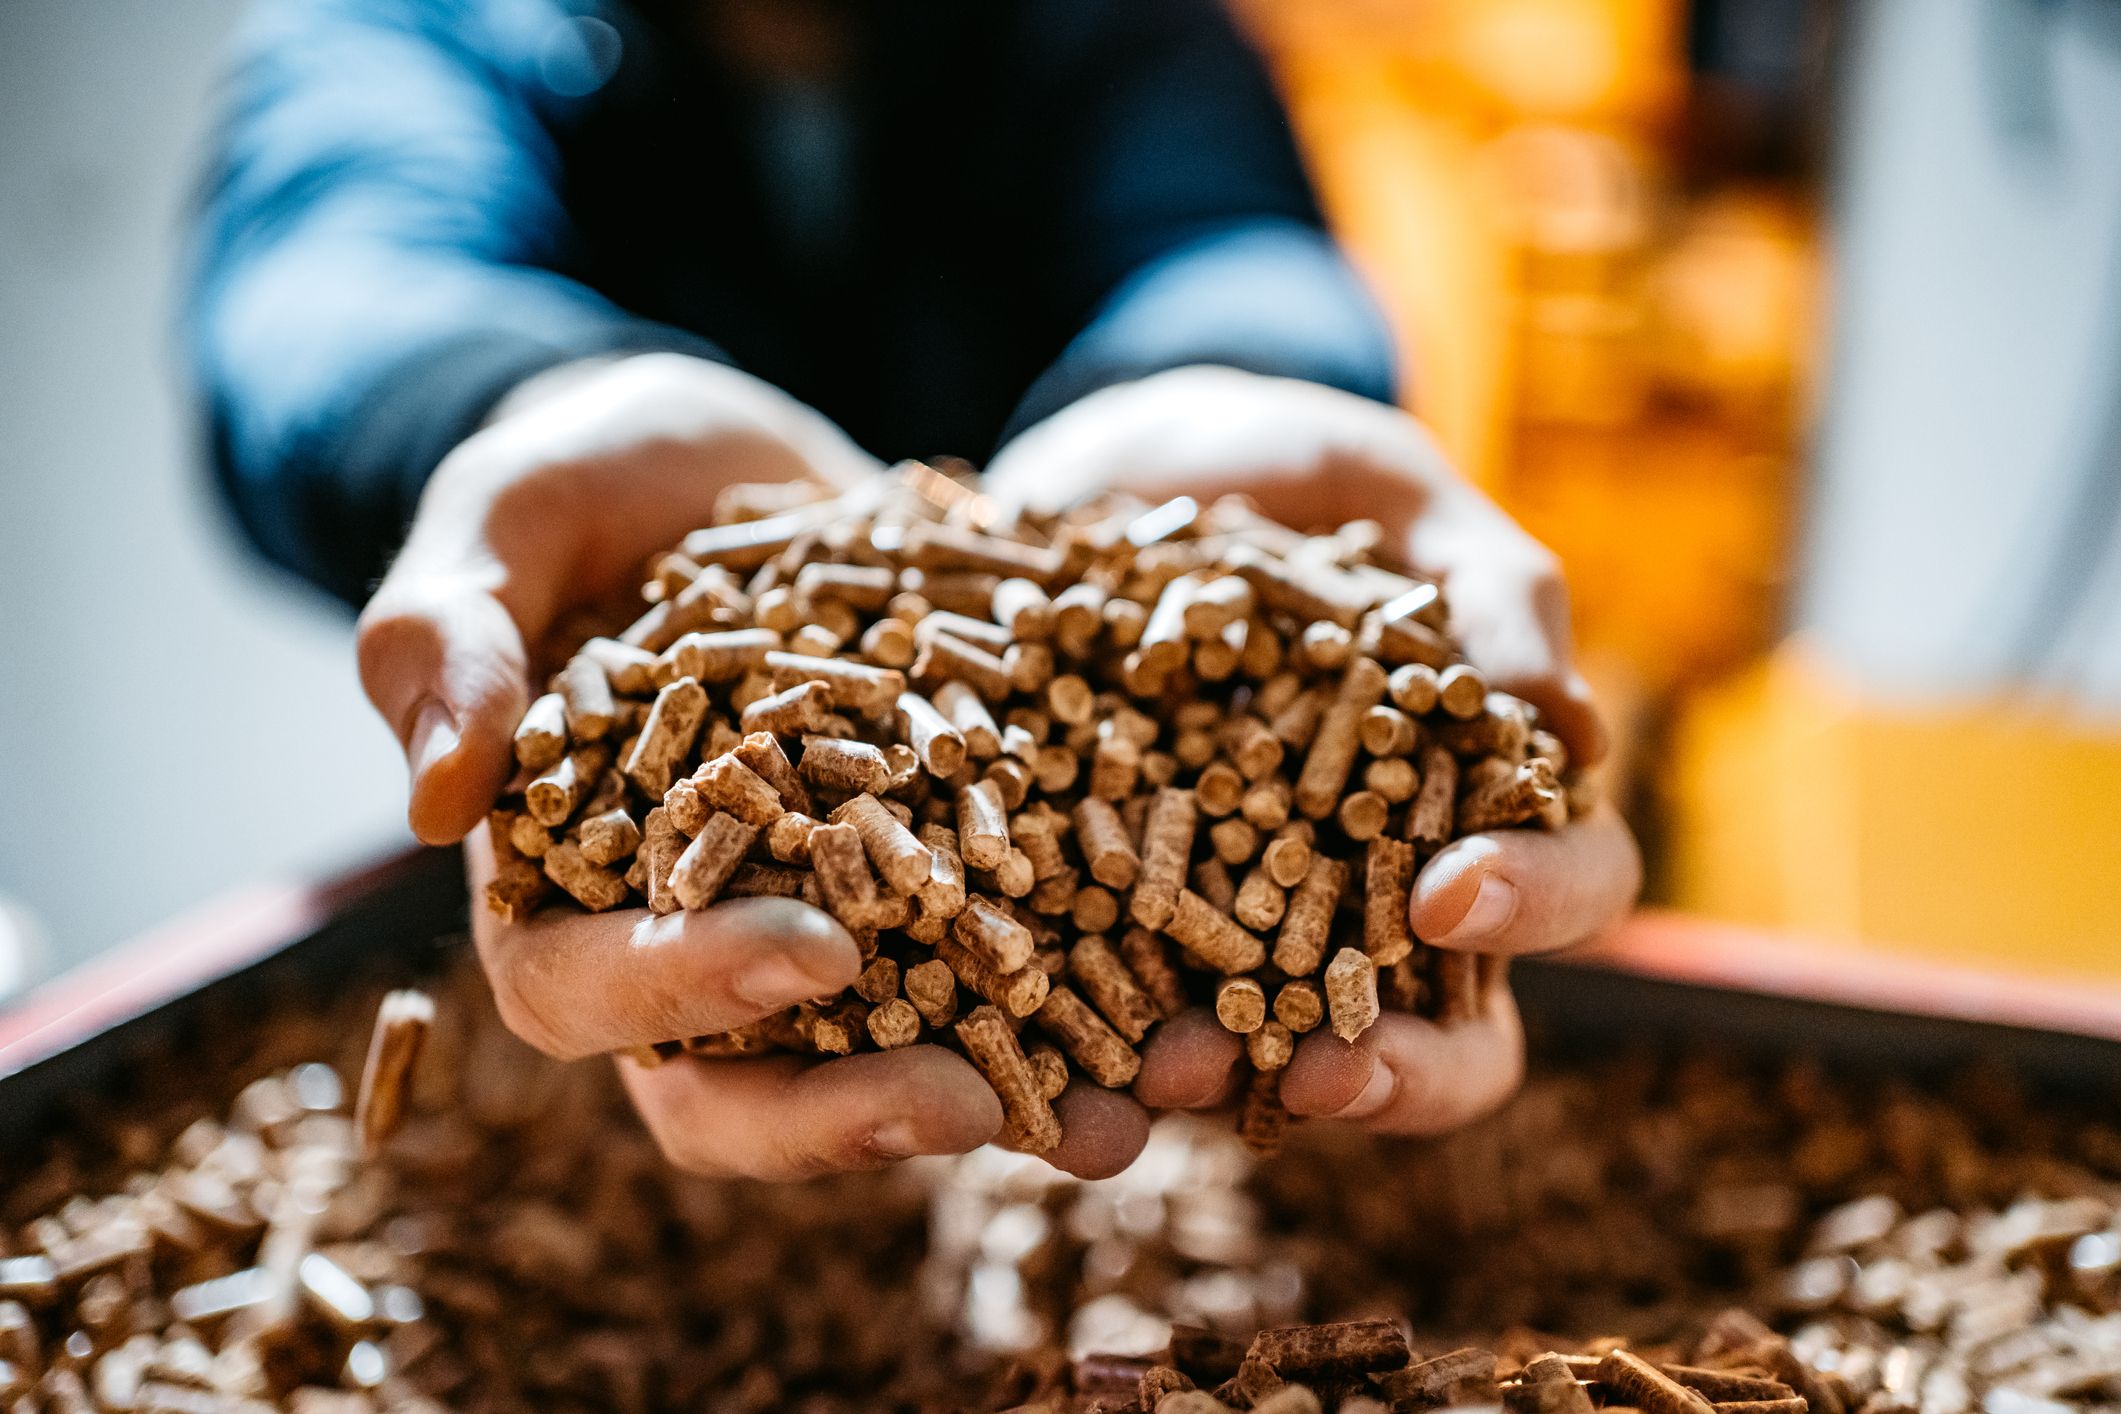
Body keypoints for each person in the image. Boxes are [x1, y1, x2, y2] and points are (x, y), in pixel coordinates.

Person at [186, 0, 1640, 1181]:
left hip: (1131, 1020)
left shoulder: (1129, 34)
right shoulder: (405, 27)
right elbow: (324, 297)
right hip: (596, 1022)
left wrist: (1236, 393)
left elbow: (1229, 245)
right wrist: (514, 408)